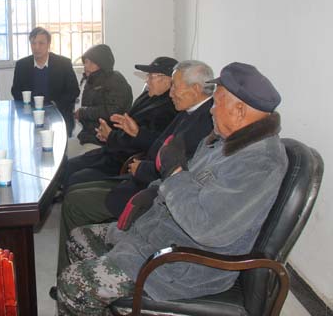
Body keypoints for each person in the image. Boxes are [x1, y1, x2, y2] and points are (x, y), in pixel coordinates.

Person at [56, 62, 287, 315]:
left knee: (72, 283)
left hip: (181, 266)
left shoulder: (259, 163)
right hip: (158, 237)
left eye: (217, 102)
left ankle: (94, 297)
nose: (212, 109)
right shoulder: (222, 142)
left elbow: (205, 227)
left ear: (240, 110)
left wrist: (174, 172)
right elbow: (187, 181)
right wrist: (151, 192)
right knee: (78, 239)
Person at [57, 60, 215, 274]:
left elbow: (181, 172)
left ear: (195, 89)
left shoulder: (205, 122)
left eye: (175, 87)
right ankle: (78, 268)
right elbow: (160, 145)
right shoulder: (188, 112)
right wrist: (136, 133)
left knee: (75, 202)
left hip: (151, 194)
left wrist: (142, 169)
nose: (171, 93)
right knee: (75, 189)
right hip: (139, 178)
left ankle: (70, 272)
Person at [64, 56, 178, 187]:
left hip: (122, 162)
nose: (147, 80)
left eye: (151, 77)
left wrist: (111, 136)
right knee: (69, 165)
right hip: (112, 151)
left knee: (75, 178)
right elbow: (128, 125)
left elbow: (148, 143)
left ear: (167, 80)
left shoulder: (169, 109)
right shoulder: (148, 96)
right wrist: (109, 132)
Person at [11, 27, 80, 136]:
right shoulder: (22, 65)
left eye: (41, 43)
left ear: (48, 44)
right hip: (30, 117)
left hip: (58, 116)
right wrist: (29, 104)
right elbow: (15, 91)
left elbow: (74, 91)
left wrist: (55, 104)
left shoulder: (63, 63)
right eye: (33, 43)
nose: (36, 47)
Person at [68, 44, 132, 157]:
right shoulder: (92, 80)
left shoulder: (116, 80)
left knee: (73, 164)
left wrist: (83, 113)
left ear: (103, 63)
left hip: (104, 140)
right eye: (85, 62)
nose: (86, 66)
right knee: (61, 152)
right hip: (88, 136)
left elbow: (113, 112)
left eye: (91, 63)